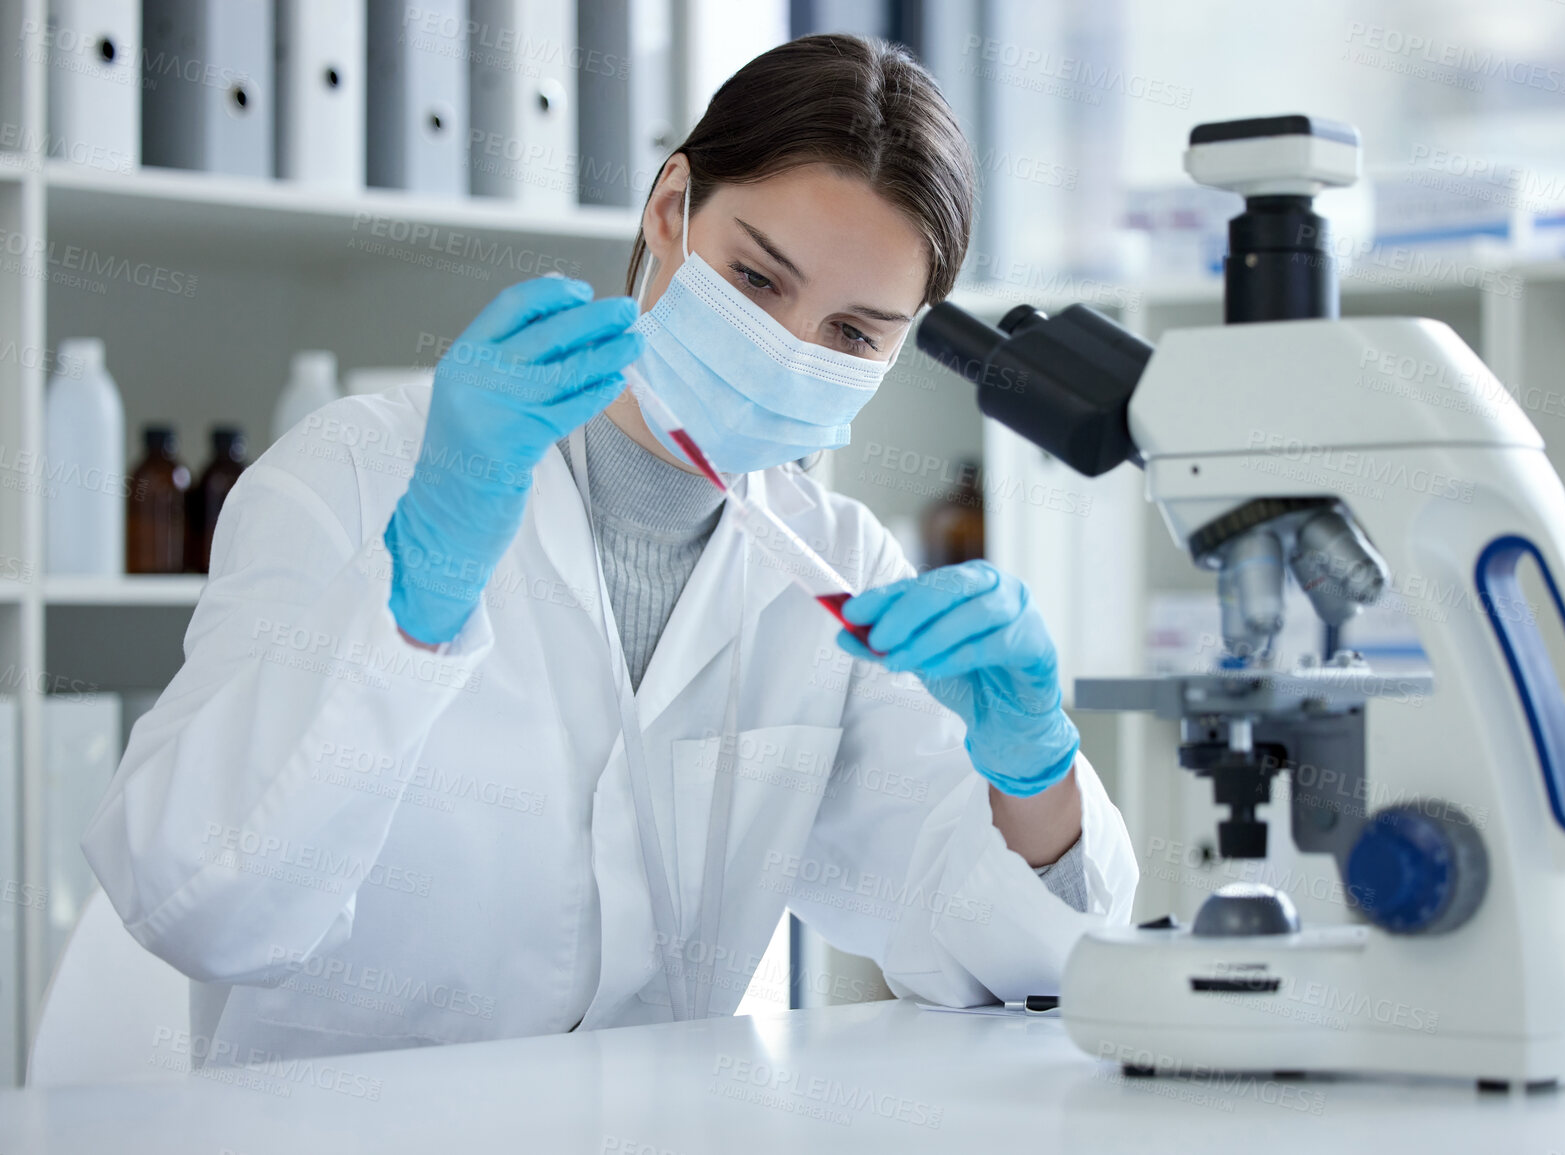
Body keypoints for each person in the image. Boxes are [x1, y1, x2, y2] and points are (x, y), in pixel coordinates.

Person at [84, 33, 1137, 1064]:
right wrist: (423, 580)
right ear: (672, 210)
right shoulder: (360, 475)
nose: (787, 350)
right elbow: (199, 908)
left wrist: (1032, 766)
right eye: (761, 281)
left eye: (854, 334)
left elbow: (1017, 962)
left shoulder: (836, 567)